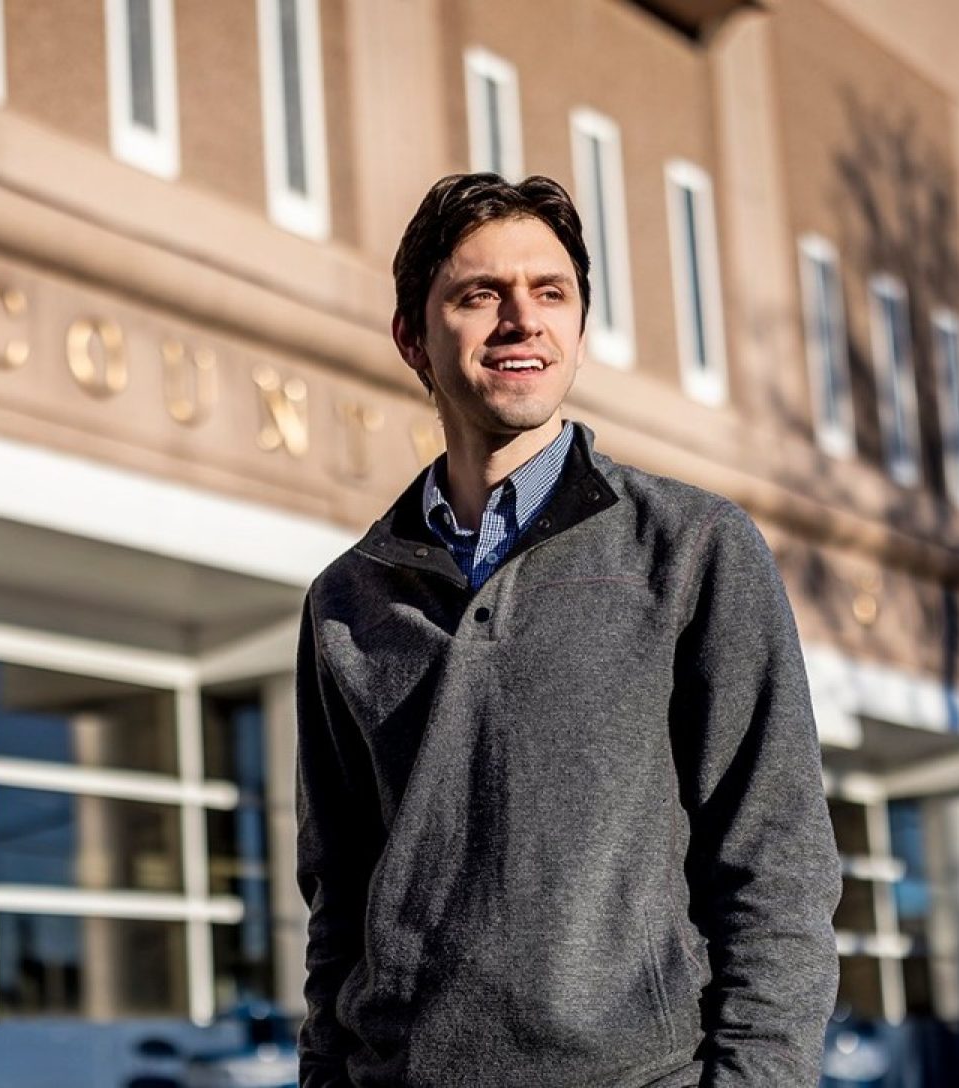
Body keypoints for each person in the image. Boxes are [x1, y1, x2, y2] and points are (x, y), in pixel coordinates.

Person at [294, 173, 840, 1087]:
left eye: (552, 294)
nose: (523, 321)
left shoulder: (694, 549)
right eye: (479, 296)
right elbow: (337, 901)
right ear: (412, 338)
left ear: (579, 331)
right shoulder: (347, 601)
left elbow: (775, 859)